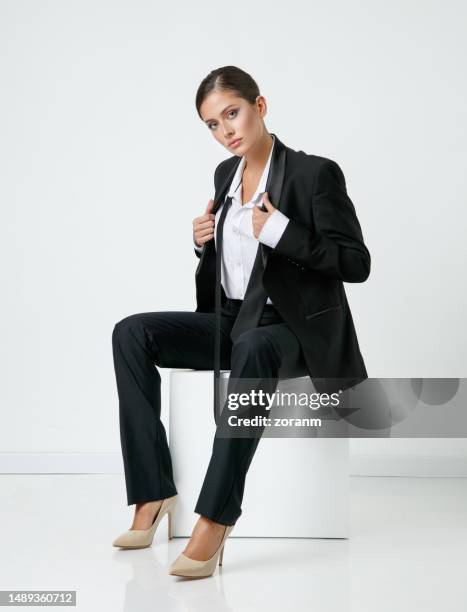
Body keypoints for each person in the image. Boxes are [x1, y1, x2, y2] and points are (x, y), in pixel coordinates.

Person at [111, 65, 371, 578]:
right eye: (212, 124)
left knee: (252, 345)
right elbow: (231, 270)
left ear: (260, 106)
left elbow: (356, 263)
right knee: (131, 331)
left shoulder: (314, 174)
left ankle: (214, 518)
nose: (226, 131)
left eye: (232, 113)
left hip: (290, 332)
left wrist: (282, 230)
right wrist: (201, 241)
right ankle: (152, 493)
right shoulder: (224, 176)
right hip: (232, 320)